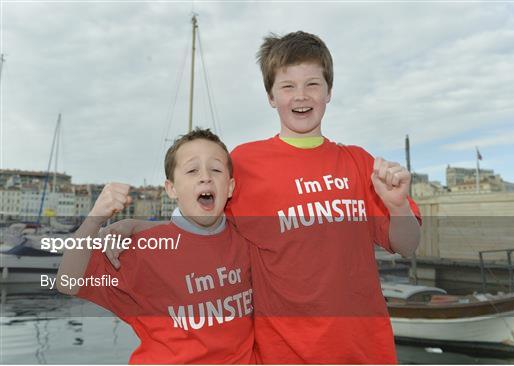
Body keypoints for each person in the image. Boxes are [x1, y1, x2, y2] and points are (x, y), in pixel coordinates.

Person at [106, 31, 421, 364]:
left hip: (366, 352)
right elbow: (203, 221)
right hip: (282, 354)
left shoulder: (359, 163)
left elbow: (408, 245)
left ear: (329, 91)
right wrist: (135, 225)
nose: (301, 96)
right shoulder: (245, 164)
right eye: (287, 86)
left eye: (313, 84)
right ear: (271, 96)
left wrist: (398, 204)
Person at [56, 128, 254, 364]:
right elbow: (68, 282)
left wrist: (136, 224)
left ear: (230, 187)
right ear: (171, 189)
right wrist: (95, 218)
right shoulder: (145, 248)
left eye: (216, 169)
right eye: (192, 170)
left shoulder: (249, 240)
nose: (205, 177)